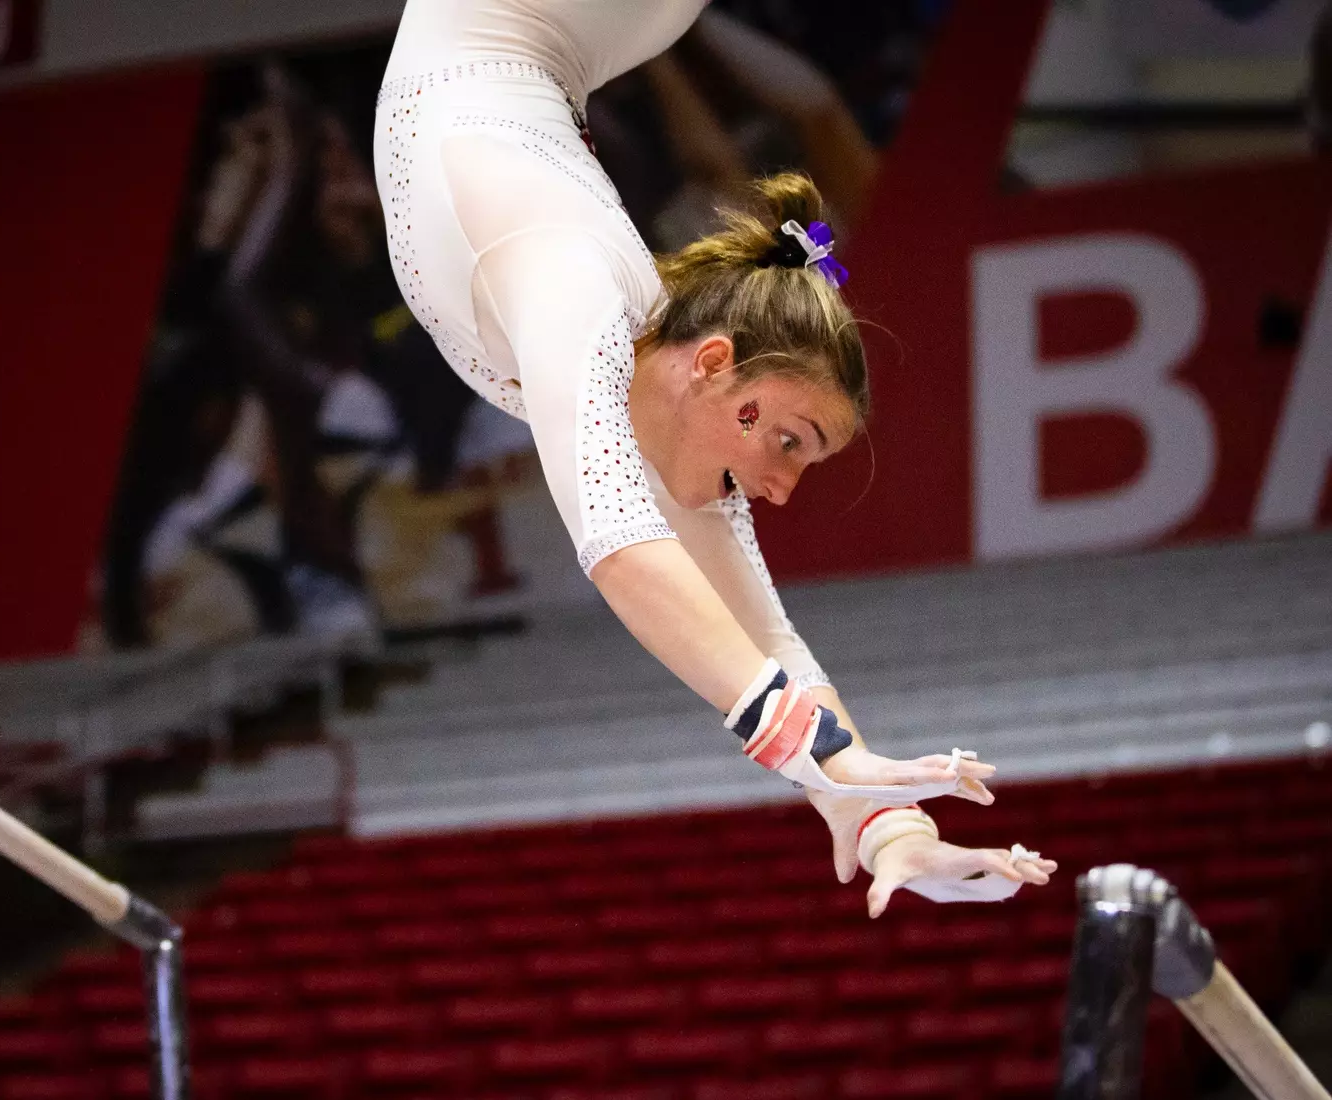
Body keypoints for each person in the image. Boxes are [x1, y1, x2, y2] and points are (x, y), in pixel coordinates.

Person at [373, 0, 1057, 916]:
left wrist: (889, 822)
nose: (777, 491)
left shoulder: (660, 401)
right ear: (713, 364)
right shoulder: (569, 290)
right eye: (785, 440)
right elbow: (620, 551)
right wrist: (824, 759)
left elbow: (766, 640)